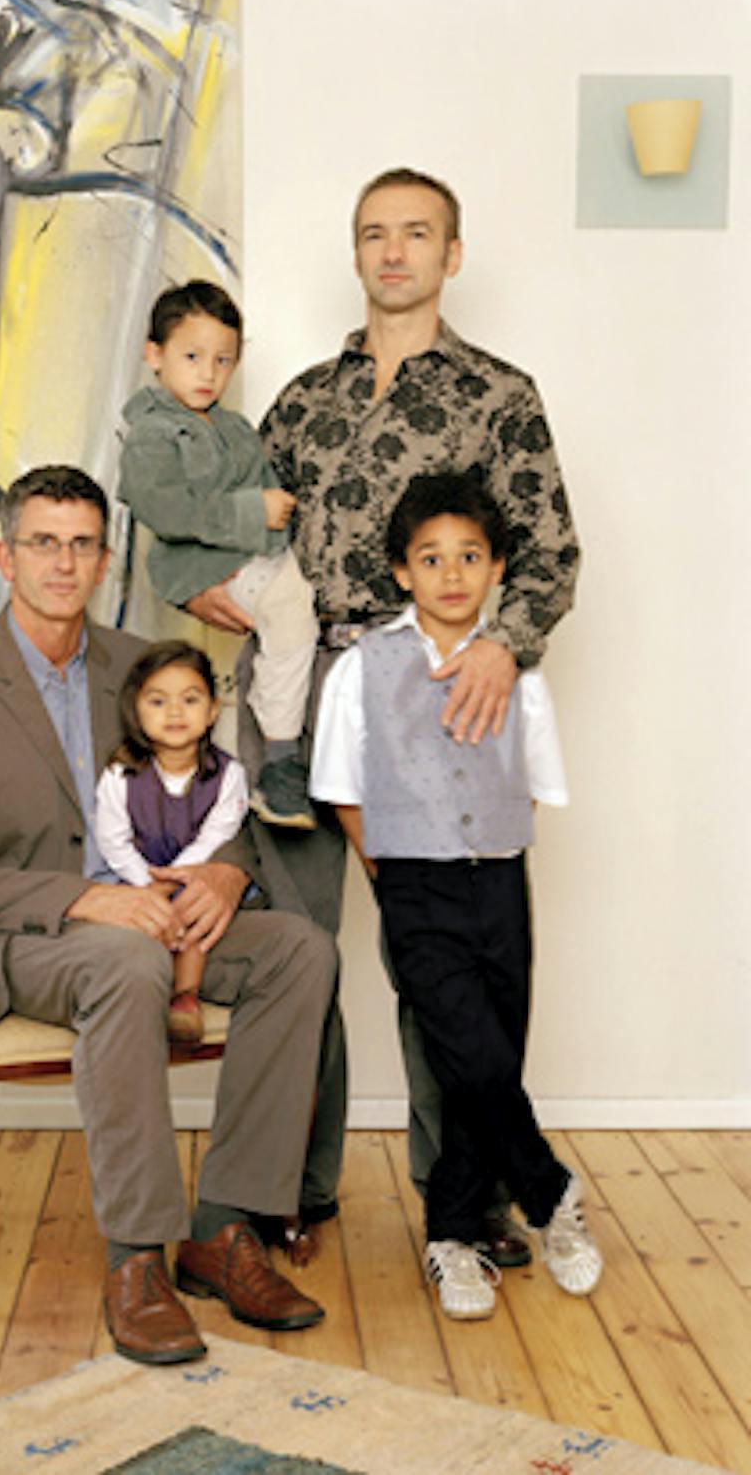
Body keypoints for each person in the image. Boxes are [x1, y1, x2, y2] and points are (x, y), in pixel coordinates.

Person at [186, 167, 581, 1265]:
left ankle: (469, 1203)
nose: (393, 251)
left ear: (452, 255)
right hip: (293, 692)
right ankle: (290, 1191)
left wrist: (502, 644)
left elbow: (549, 553)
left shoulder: (500, 395)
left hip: (430, 694)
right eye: (374, 233)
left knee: (438, 960)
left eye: (416, 233)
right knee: (294, 952)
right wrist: (199, 583)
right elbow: (229, 525)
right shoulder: (302, 398)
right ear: (355, 253)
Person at [0, 465, 337, 1366]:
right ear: (6, 558)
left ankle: (223, 1228)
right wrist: (85, 898)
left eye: (82, 545)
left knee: (300, 950)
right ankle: (137, 1257)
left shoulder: (142, 669)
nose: (63, 563)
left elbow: (218, 796)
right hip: (27, 934)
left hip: (155, 909)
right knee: (126, 959)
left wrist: (224, 874)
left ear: (105, 561)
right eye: (43, 543)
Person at [310, 473, 601, 1319]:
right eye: (431, 558)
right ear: (402, 571)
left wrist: (487, 845)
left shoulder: (517, 671)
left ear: (497, 567)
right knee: (468, 1053)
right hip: (412, 883)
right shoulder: (363, 668)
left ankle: (453, 1235)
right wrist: (392, 876)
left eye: (470, 557)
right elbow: (342, 787)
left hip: (500, 877)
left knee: (488, 1058)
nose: (451, 574)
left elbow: (533, 779)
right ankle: (549, 1191)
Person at [119, 281, 318, 829]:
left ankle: (269, 758)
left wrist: (276, 512)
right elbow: (168, 511)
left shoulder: (234, 428)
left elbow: (268, 492)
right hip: (203, 569)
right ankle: (279, 758)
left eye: (223, 360)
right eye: (192, 357)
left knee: (293, 613)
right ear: (154, 354)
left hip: (255, 555)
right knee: (290, 609)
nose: (208, 373)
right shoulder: (151, 436)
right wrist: (255, 511)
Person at [96, 640, 250, 1044]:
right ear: (136, 710)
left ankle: (185, 996)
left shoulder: (228, 775)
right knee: (133, 924)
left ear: (213, 709)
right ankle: (139, 997)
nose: (175, 712)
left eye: (190, 699)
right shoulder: (120, 773)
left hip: (195, 879)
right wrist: (148, 885)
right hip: (136, 879)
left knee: (195, 916)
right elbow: (112, 840)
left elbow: (217, 835)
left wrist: (176, 882)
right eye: (158, 701)